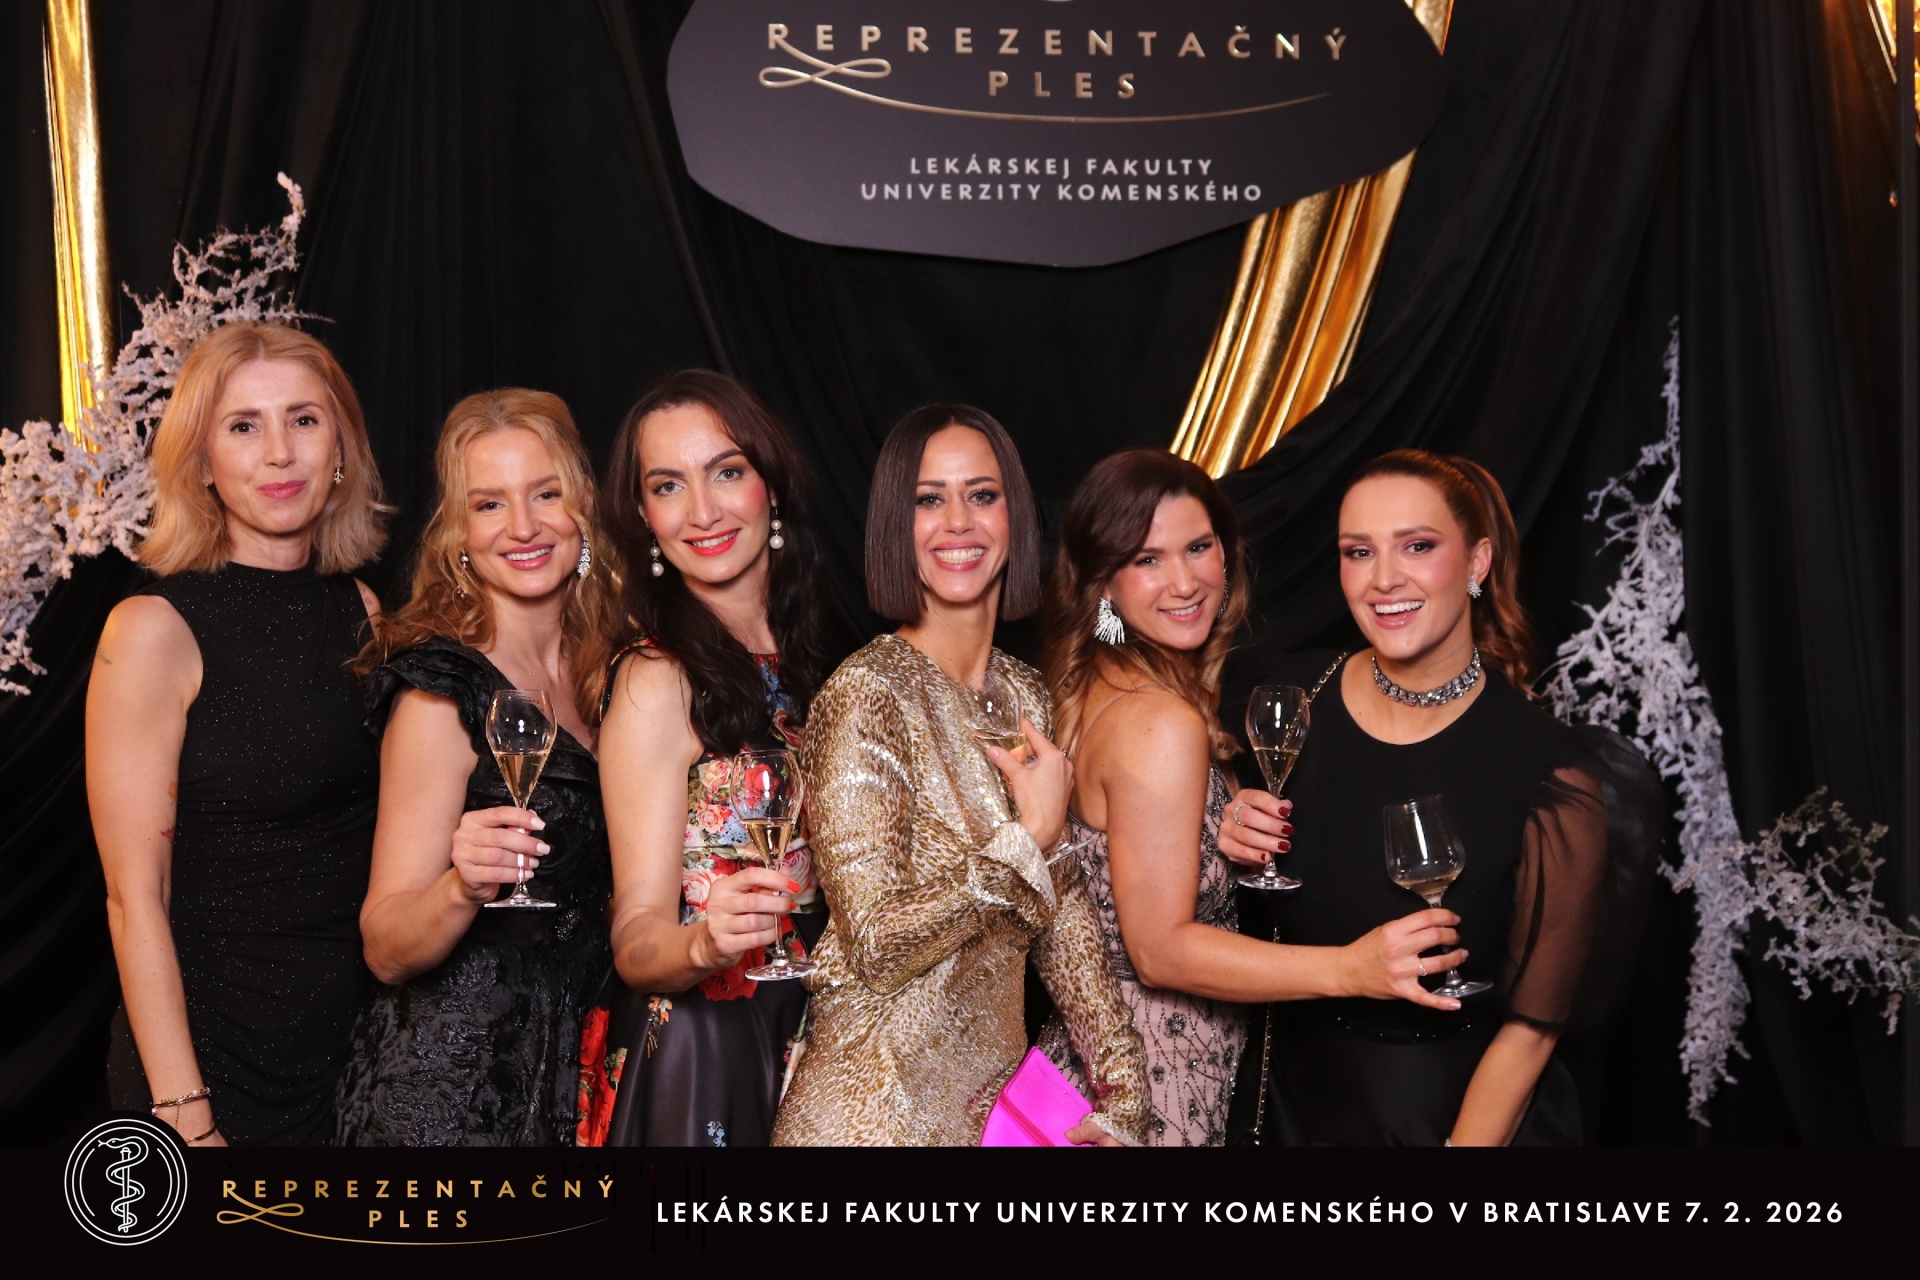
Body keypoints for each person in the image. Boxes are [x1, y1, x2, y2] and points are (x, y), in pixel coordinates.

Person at [1218, 449, 1653, 1146]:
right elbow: (1111, 631)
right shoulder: (1290, 702)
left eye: (1417, 546)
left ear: (1478, 562)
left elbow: (1532, 1030)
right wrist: (1228, 816)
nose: (1384, 579)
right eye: (1359, 552)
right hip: (1283, 1112)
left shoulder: (1551, 776)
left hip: (1450, 1126)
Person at [1040, 450, 1468, 1146]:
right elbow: (1159, 953)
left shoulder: (1102, 688)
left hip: (1091, 1075)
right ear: (1103, 584)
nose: (1184, 582)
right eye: (1147, 560)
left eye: (1198, 547)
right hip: (1150, 1095)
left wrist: (1222, 821)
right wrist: (1352, 968)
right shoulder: (1159, 722)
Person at [771, 405, 1149, 1147]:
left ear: (1014, 517)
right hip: (869, 1116)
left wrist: (1124, 1094)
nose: (957, 522)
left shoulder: (1024, 693)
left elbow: (1064, 907)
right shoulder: (865, 692)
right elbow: (876, 941)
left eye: (981, 495)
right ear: (895, 524)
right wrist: (1022, 841)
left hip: (986, 1117)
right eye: (928, 499)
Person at [88, 320, 389, 1145]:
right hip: (207, 1070)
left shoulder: (361, 610)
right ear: (202, 463)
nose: (280, 453)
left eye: (304, 420)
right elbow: (134, 900)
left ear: (340, 448)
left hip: (353, 1062)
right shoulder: (151, 630)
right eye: (244, 426)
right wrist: (186, 1115)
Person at [336, 389, 621, 1146]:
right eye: (489, 504)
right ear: (460, 534)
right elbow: (385, 946)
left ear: (584, 507)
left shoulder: (616, 672)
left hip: (580, 1081)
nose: (522, 527)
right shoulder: (440, 692)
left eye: (545, 494)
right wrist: (462, 886)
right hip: (453, 1098)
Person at [575, 370, 841, 1147]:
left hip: (820, 1037)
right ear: (643, 515)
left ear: (771, 484)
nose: (701, 511)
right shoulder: (655, 680)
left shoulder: (816, 664)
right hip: (705, 1049)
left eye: (726, 472)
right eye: (668, 485)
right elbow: (635, 935)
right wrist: (703, 943)